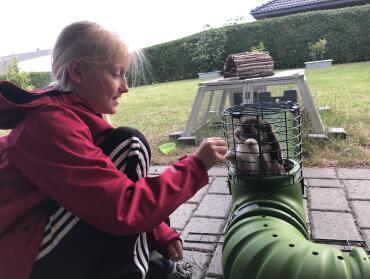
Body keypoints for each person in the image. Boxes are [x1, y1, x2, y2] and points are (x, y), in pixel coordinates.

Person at [0, 21, 227, 279]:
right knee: (130, 146)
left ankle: (149, 265)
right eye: (116, 73)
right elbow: (123, 206)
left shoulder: (71, 115)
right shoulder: (49, 124)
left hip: (34, 238)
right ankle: (145, 271)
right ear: (78, 71)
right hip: (19, 257)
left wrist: (158, 231)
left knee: (124, 149)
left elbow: (109, 189)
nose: (125, 86)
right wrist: (195, 167)